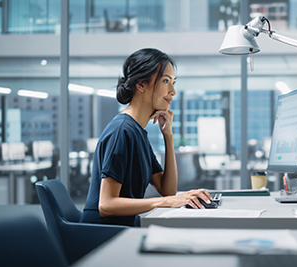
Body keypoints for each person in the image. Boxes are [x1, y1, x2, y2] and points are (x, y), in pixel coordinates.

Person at [81, 48, 212, 226]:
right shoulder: (121, 131)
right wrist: (165, 202)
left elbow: (167, 190)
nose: (173, 91)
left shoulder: (137, 132)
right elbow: (106, 204)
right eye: (166, 81)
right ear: (141, 85)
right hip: (102, 234)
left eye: (173, 82)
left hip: (124, 228)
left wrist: (168, 136)